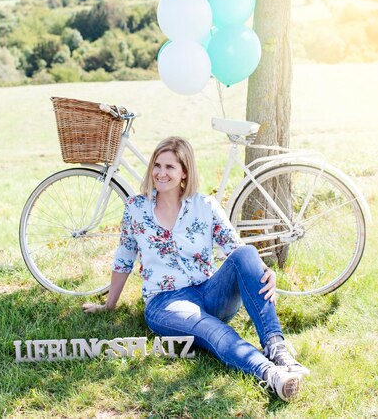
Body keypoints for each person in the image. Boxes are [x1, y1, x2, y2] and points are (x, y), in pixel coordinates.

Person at [83, 137, 309, 401]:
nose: (160, 173)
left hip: (210, 291)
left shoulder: (205, 205)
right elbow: (124, 259)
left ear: (184, 173)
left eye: (170, 167)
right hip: (166, 303)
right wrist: (109, 305)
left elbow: (235, 249)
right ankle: (272, 374)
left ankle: (277, 348)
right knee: (212, 330)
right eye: (157, 165)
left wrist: (261, 270)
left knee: (248, 253)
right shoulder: (136, 208)